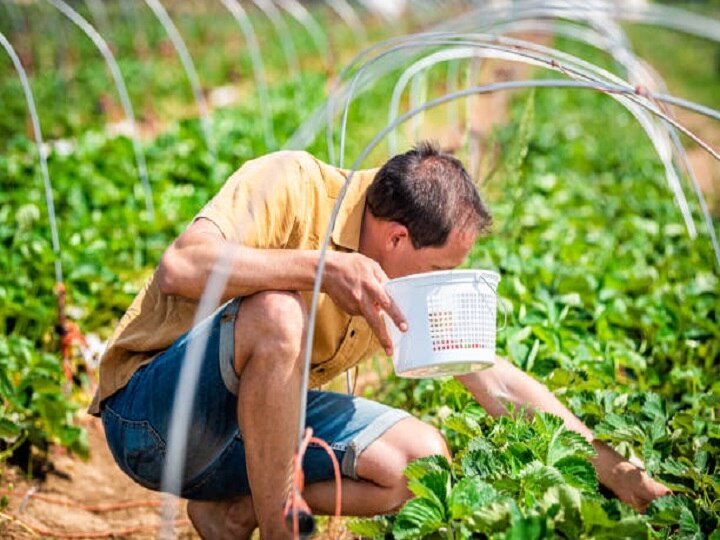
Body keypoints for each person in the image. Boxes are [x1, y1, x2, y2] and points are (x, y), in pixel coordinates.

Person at [90, 142, 670, 539]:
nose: (440, 284)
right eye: (439, 267)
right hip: (153, 422)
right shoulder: (290, 182)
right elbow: (181, 266)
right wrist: (320, 269)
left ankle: (233, 511)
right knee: (278, 313)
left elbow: (493, 378)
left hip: (246, 438)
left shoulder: (399, 273)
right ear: (396, 238)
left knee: (419, 462)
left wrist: (626, 477)